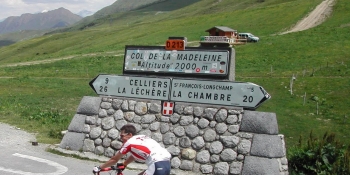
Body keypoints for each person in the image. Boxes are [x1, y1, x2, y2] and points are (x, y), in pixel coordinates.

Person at [92, 124, 172, 175]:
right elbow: (135, 154)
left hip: (156, 164)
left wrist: (100, 167)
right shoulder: (141, 137)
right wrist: (125, 164)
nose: (121, 138)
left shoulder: (129, 142)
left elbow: (114, 159)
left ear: (130, 134)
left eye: (122, 136)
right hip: (166, 164)